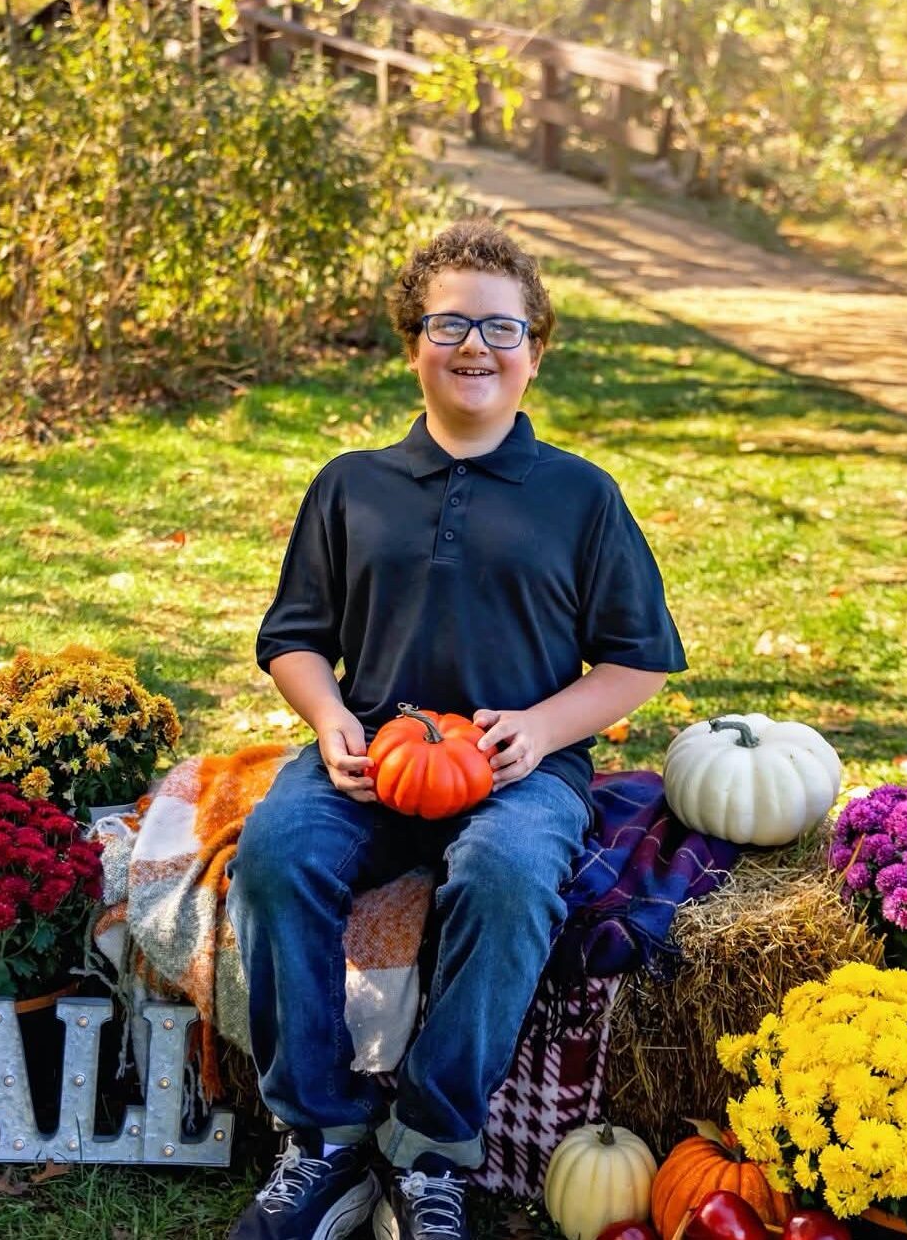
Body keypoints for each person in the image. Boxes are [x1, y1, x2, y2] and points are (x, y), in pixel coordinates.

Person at [225, 219, 686, 1240]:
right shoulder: (352, 484)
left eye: (499, 325)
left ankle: (431, 1142)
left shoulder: (580, 496)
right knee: (274, 852)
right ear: (409, 345)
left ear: (535, 351)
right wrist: (331, 716)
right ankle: (324, 1137)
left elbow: (637, 659)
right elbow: (294, 636)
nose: (473, 345)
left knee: (512, 875)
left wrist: (542, 723)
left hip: (524, 765)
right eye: (447, 323)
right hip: (371, 751)